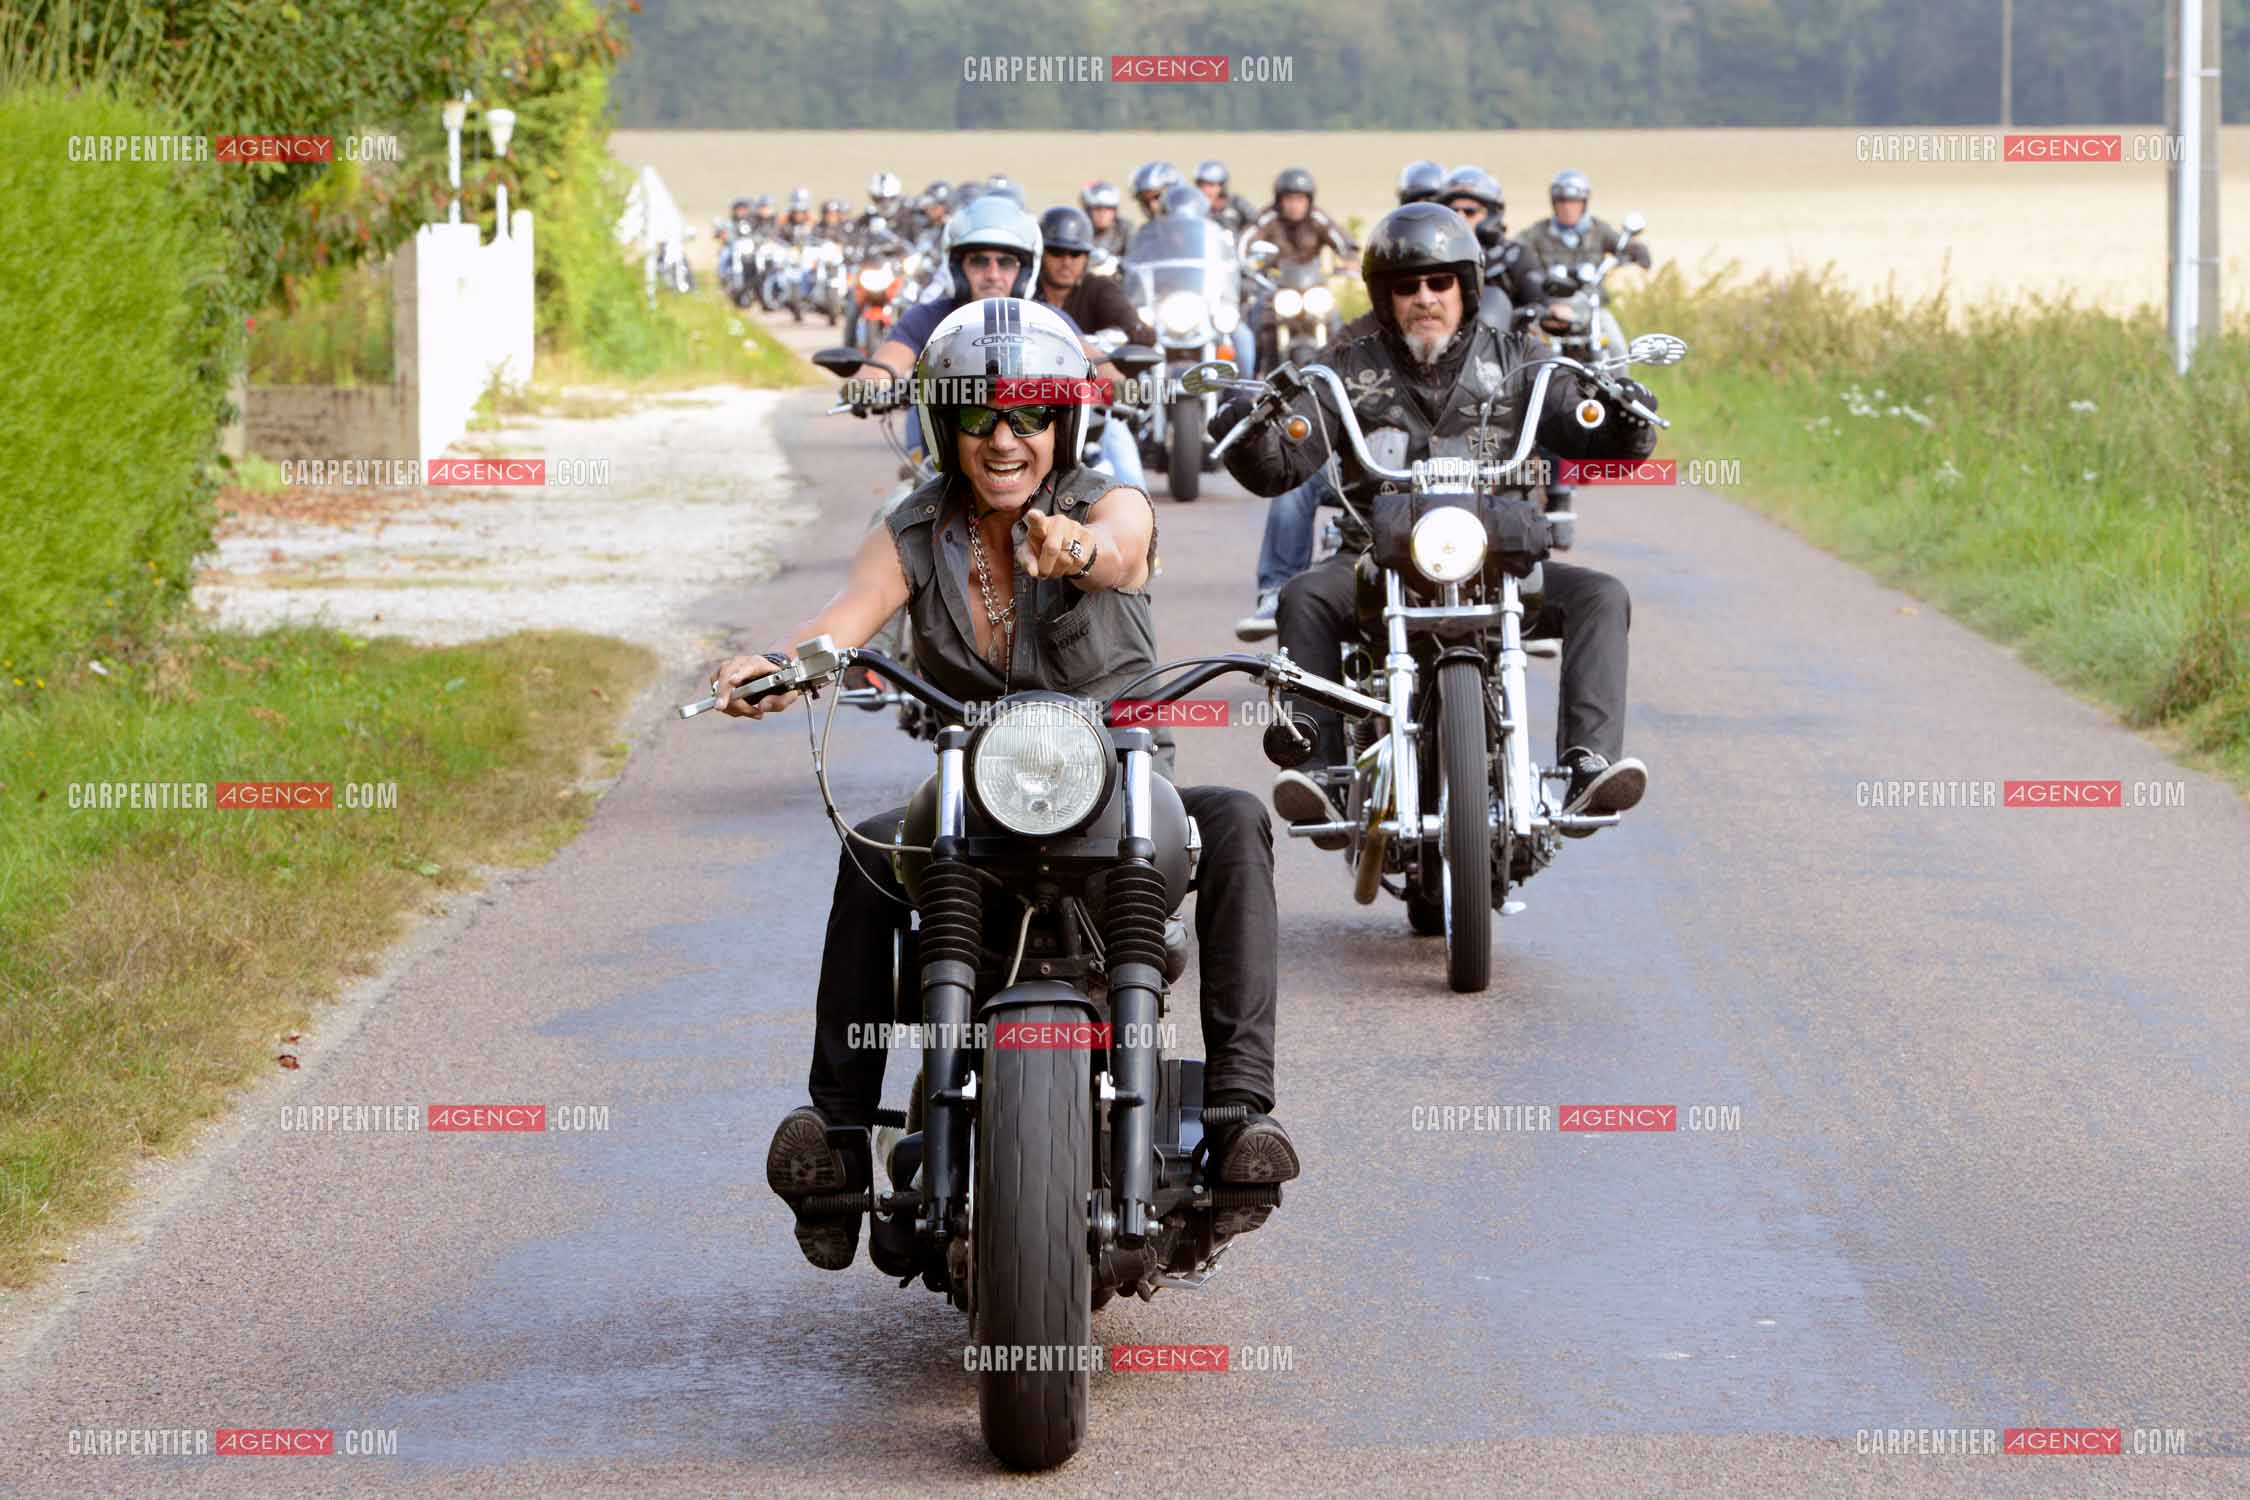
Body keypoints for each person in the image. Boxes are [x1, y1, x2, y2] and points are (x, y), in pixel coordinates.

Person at [720, 298, 1299, 1270]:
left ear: (1062, 423)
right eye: (978, 414)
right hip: (977, 806)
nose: (1004, 437)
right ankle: (836, 1134)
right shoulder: (910, 531)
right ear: (945, 426)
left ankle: (1241, 1117)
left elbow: (1119, 549)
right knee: (870, 846)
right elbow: (848, 612)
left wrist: (1074, 551)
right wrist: (775, 669)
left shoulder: (1110, 500)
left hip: (1123, 795)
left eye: (1029, 414)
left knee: (1237, 820)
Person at [1210, 203, 1659, 838]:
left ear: (1466, 287)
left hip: (1497, 561)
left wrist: (1625, 417)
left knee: (1602, 596)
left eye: (1439, 282)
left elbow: (1586, 424)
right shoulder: (1345, 364)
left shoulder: (1520, 361)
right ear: (1385, 295)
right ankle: (1322, 776)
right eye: (1407, 286)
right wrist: (1247, 428)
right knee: (1305, 595)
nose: (1425, 297)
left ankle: (1588, 766)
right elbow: (1283, 464)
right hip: (1375, 558)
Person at [862, 197, 1143, 491]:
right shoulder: (928, 317)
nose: (993, 273)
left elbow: (1099, 366)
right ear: (958, 267)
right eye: (979, 261)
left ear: (1023, 270)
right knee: (895, 508)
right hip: (948, 454)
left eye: (1006, 262)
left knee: (1124, 486)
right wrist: (868, 387)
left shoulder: (1047, 319)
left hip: (1031, 447)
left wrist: (1124, 389)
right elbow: (884, 365)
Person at [1034, 205, 1156, 492]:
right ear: (1041, 255)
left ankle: (1138, 522)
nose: (1067, 261)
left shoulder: (1100, 289)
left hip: (1094, 406)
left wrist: (1136, 332)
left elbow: (1136, 328)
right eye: (1057, 252)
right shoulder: (1025, 294)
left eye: (1075, 254)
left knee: (1129, 472)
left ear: (1086, 257)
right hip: (1030, 407)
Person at [1193, 159, 1258, 232]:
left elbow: (1257, 222)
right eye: (1201, 185)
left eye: (1211, 185)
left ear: (1222, 186)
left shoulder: (1236, 203)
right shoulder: (1193, 209)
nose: (1205, 190)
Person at [1081, 180, 1128, 256]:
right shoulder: (1078, 231)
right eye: (1097, 208)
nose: (1102, 214)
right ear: (1087, 210)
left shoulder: (1125, 230)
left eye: (1108, 208)